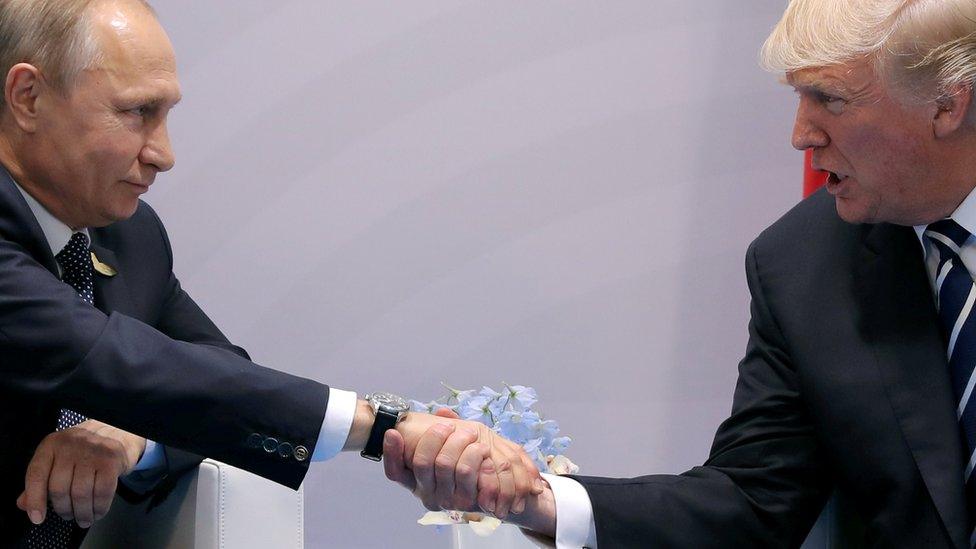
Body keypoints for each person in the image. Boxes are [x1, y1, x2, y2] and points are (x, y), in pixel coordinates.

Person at [392, 0, 976, 546]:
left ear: (949, 103)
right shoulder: (804, 264)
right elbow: (754, 500)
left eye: (830, 98)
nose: (801, 135)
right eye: (799, 97)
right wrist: (536, 502)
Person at [0, 0, 542, 546]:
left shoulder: (129, 235)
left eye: (167, 115)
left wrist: (132, 436)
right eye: (137, 111)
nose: (164, 154)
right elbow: (113, 360)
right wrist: (380, 425)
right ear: (29, 97)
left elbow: (210, 372)